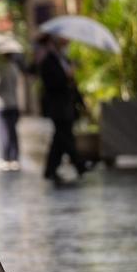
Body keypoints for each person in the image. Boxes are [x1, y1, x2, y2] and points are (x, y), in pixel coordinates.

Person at [37, 33, 90, 182]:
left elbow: (72, 84)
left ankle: (50, 170)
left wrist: (81, 102)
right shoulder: (47, 62)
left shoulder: (65, 60)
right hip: (57, 106)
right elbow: (51, 85)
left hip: (68, 104)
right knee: (66, 137)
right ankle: (79, 164)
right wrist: (66, 76)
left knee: (59, 139)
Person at [0, 53, 26, 171]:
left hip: (1, 104)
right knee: (12, 132)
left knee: (3, 132)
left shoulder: (0, 68)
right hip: (13, 103)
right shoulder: (14, 67)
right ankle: (14, 159)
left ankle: (5, 159)